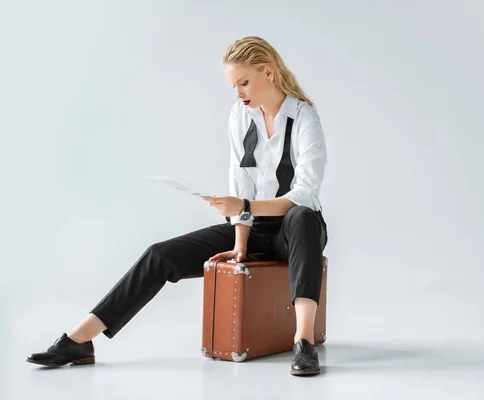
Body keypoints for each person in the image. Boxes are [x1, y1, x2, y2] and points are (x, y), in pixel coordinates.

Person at [26, 36, 328, 376]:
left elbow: (304, 192)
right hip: (253, 228)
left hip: (296, 231)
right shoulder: (240, 117)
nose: (238, 92)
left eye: (244, 83)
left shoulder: (303, 118)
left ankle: (304, 342)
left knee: (302, 216)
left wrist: (243, 203)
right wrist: (239, 244)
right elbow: (240, 182)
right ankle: (80, 339)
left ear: (268, 73)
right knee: (160, 254)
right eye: (233, 85)